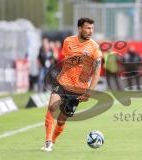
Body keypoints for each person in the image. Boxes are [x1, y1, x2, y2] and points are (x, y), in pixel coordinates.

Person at [41, 17, 102, 152]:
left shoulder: (95, 48)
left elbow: (97, 72)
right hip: (63, 82)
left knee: (62, 120)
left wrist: (89, 92)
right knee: (52, 106)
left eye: (92, 28)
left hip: (78, 89)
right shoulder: (68, 41)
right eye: (87, 28)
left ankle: (54, 140)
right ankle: (48, 141)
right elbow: (66, 60)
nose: (90, 31)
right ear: (80, 28)